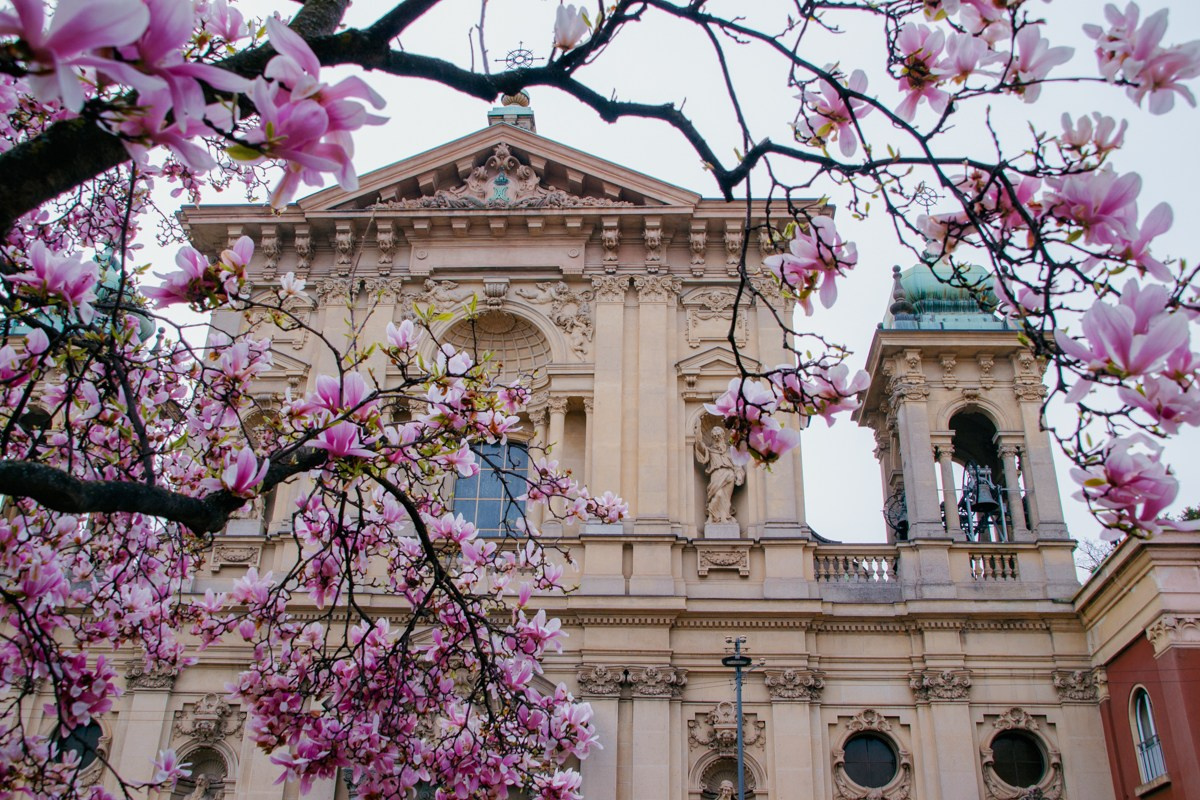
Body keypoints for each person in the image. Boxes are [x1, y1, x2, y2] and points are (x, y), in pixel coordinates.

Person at [695, 425, 745, 524]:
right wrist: (697, 434)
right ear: (712, 437)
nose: (717, 438)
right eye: (715, 436)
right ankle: (711, 517)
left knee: (726, 498)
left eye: (719, 435)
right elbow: (700, 447)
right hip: (716, 474)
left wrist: (739, 475)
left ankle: (724, 517)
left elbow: (737, 465)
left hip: (729, 475)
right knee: (717, 495)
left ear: (723, 435)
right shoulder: (710, 450)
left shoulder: (730, 450)